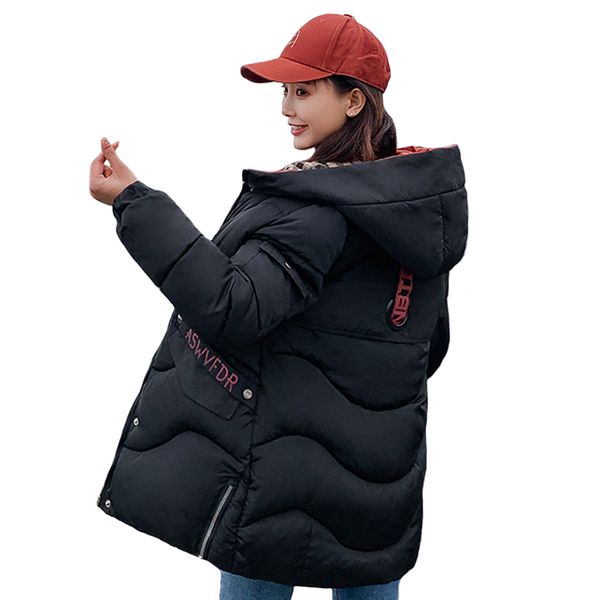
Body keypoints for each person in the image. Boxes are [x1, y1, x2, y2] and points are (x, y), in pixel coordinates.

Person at [89, 13, 468, 600]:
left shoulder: (315, 208)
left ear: (354, 101)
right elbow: (428, 346)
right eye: (285, 91)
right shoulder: (411, 203)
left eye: (304, 91)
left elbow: (234, 307)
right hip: (380, 484)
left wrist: (133, 203)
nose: (287, 107)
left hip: (280, 479)